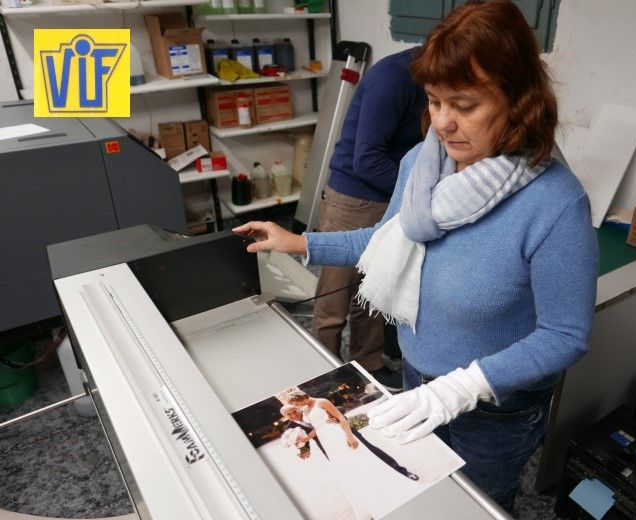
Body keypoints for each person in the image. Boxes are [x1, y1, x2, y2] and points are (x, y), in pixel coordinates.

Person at [233, 0, 598, 512]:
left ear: (519, 100)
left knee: (477, 506)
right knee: (423, 497)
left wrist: (463, 388)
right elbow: (386, 239)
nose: (443, 123)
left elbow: (565, 334)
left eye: (464, 105)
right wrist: (300, 243)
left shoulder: (555, 203)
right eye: (434, 101)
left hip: (495, 406)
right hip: (416, 375)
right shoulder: (423, 162)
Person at [313, 47, 427, 392]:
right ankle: (324, 375)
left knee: (373, 290)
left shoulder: (439, 81)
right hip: (352, 199)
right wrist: (417, 190)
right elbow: (366, 160)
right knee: (334, 301)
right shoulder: (392, 79)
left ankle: (368, 365)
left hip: (387, 197)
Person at [286, 392, 419, 519]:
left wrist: (349, 436)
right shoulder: (304, 410)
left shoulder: (322, 402)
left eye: (296, 404)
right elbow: (317, 427)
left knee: (368, 455)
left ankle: (400, 474)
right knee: (348, 468)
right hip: (327, 442)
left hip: (338, 433)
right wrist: (304, 440)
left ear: (303, 398)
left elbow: (340, 417)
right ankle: (368, 495)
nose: (297, 407)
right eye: (294, 406)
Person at [280, 402, 418, 481]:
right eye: (289, 414)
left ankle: (402, 472)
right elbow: (302, 441)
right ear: (285, 416)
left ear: (297, 408)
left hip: (344, 433)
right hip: (328, 445)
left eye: (294, 411)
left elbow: (339, 413)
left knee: (372, 451)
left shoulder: (310, 409)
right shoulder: (291, 428)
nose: (293, 415)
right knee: (347, 468)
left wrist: (335, 419)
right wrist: (305, 451)